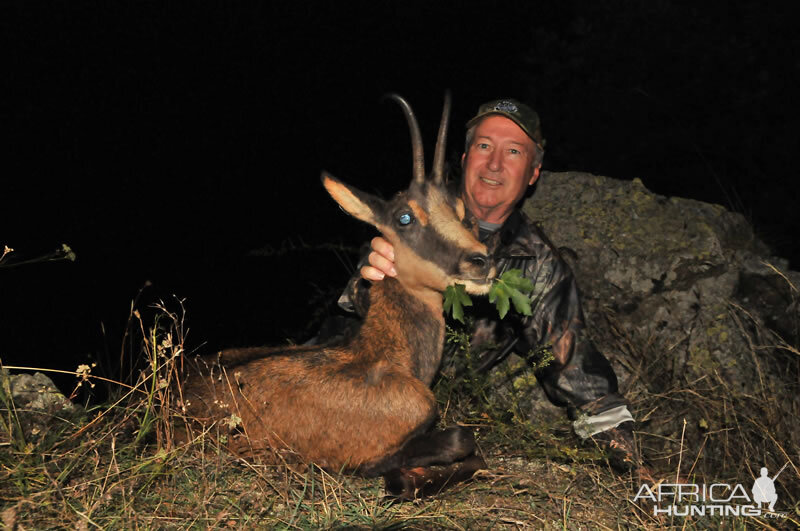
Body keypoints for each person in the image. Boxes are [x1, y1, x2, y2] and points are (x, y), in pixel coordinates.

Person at [333, 98, 640, 472]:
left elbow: (581, 379)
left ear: (533, 174)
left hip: (428, 409)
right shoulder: (415, 212)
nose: (494, 164)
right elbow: (353, 305)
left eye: (513, 151)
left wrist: (636, 470)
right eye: (483, 146)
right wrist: (372, 276)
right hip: (346, 385)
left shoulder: (538, 265)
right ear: (464, 160)